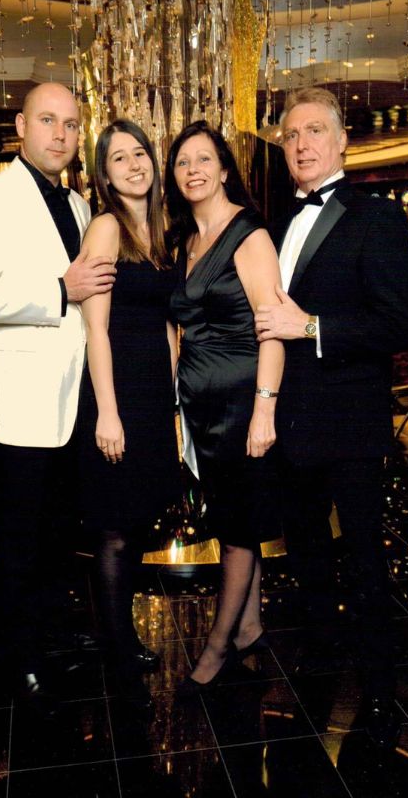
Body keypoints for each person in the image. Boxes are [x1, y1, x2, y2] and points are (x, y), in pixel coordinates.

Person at [254, 87, 408, 748]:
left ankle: (379, 686)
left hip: (350, 423)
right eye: (292, 134)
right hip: (292, 420)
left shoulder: (376, 217)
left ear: (342, 140)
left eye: (315, 131)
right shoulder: (274, 222)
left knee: (365, 558)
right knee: (307, 552)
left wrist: (312, 326)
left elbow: (396, 324)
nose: (301, 144)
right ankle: (321, 654)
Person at [0, 83, 117, 705]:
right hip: (19, 405)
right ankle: (15, 659)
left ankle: (50, 638)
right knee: (18, 542)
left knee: (57, 538)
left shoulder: (77, 206)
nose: (61, 135)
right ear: (21, 125)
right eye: (48, 120)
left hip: (74, 402)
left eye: (72, 124)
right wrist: (56, 290)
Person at [166, 120, 284, 693]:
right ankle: (250, 626)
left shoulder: (249, 235)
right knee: (237, 517)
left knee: (236, 529)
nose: (193, 170)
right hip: (202, 407)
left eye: (203, 159)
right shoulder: (184, 242)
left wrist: (265, 410)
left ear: (224, 167)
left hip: (241, 403)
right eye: (182, 161)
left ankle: (216, 648)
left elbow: (273, 329)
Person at [75, 119, 180, 703]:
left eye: (140, 153)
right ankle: (117, 650)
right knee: (115, 531)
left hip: (152, 395)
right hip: (115, 392)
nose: (135, 165)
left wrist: (172, 402)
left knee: (138, 521)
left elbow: (167, 323)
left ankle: (118, 631)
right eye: (120, 159)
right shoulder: (107, 228)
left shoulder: (160, 230)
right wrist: (107, 414)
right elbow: (96, 330)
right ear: (105, 175)